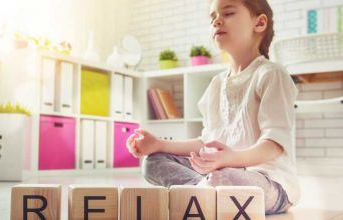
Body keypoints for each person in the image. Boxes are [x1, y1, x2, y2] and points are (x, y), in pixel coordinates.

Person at [126, 0, 299, 215]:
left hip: (268, 183)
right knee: (152, 162)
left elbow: (273, 145)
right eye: (212, 18)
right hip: (220, 173)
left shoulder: (271, 74)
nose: (217, 21)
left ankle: (202, 193)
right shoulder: (216, 84)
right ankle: (206, 192)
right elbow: (204, 143)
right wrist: (158, 144)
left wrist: (229, 160)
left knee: (224, 176)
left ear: (260, 23)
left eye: (227, 13)